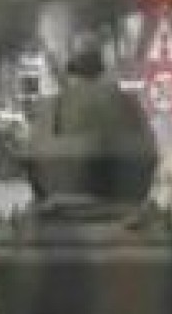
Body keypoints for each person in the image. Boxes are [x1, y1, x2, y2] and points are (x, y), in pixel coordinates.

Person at [24, 33, 158, 204]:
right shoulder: (126, 101)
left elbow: (33, 155)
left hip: (62, 196)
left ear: (72, 69)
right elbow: (149, 146)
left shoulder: (55, 105)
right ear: (101, 67)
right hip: (126, 196)